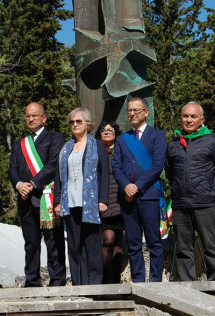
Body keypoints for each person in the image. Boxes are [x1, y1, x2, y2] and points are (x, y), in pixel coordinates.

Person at [165, 101, 215, 281]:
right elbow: (170, 172)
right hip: (181, 205)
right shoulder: (173, 145)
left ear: (202, 119)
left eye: (193, 116)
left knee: (211, 246)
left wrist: (211, 191)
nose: (189, 120)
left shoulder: (213, 142)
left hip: (206, 204)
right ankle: (187, 285)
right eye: (185, 116)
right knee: (183, 248)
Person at [8, 102, 66, 287]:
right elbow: (13, 169)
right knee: (30, 243)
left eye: (34, 116)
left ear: (44, 118)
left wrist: (32, 184)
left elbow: (53, 165)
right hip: (25, 200)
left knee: (53, 242)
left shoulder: (55, 139)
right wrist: (19, 185)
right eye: (27, 116)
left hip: (47, 198)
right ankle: (32, 281)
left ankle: (57, 280)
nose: (30, 119)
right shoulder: (19, 145)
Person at [112, 97, 167, 282]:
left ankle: (156, 281)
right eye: (129, 110)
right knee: (133, 243)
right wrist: (126, 185)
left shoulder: (157, 135)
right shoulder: (122, 139)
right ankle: (138, 282)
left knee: (154, 242)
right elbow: (116, 167)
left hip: (149, 196)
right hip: (127, 198)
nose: (132, 114)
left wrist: (138, 186)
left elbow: (158, 165)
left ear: (146, 112)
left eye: (136, 110)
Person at [54, 107, 109, 285]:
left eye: (79, 121)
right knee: (74, 245)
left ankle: (94, 284)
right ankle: (78, 284)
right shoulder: (66, 148)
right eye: (72, 122)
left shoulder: (98, 145)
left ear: (88, 124)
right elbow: (58, 176)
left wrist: (103, 199)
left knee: (92, 245)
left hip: (91, 204)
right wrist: (57, 202)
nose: (75, 124)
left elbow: (105, 174)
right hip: (70, 202)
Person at [95, 121, 124, 284]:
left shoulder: (121, 152)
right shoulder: (95, 152)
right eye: (103, 130)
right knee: (108, 240)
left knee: (118, 243)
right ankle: (105, 281)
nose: (106, 132)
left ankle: (116, 281)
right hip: (103, 201)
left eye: (110, 130)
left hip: (120, 201)